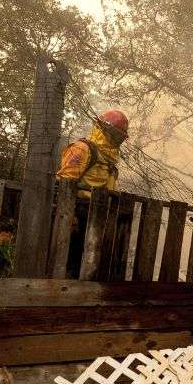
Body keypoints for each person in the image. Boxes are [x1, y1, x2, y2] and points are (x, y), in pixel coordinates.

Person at [56, 109, 129, 277]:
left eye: (120, 136)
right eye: (114, 134)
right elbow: (64, 183)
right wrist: (69, 215)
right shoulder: (82, 149)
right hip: (75, 215)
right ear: (103, 129)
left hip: (97, 218)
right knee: (67, 263)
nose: (117, 139)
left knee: (90, 266)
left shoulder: (110, 161)